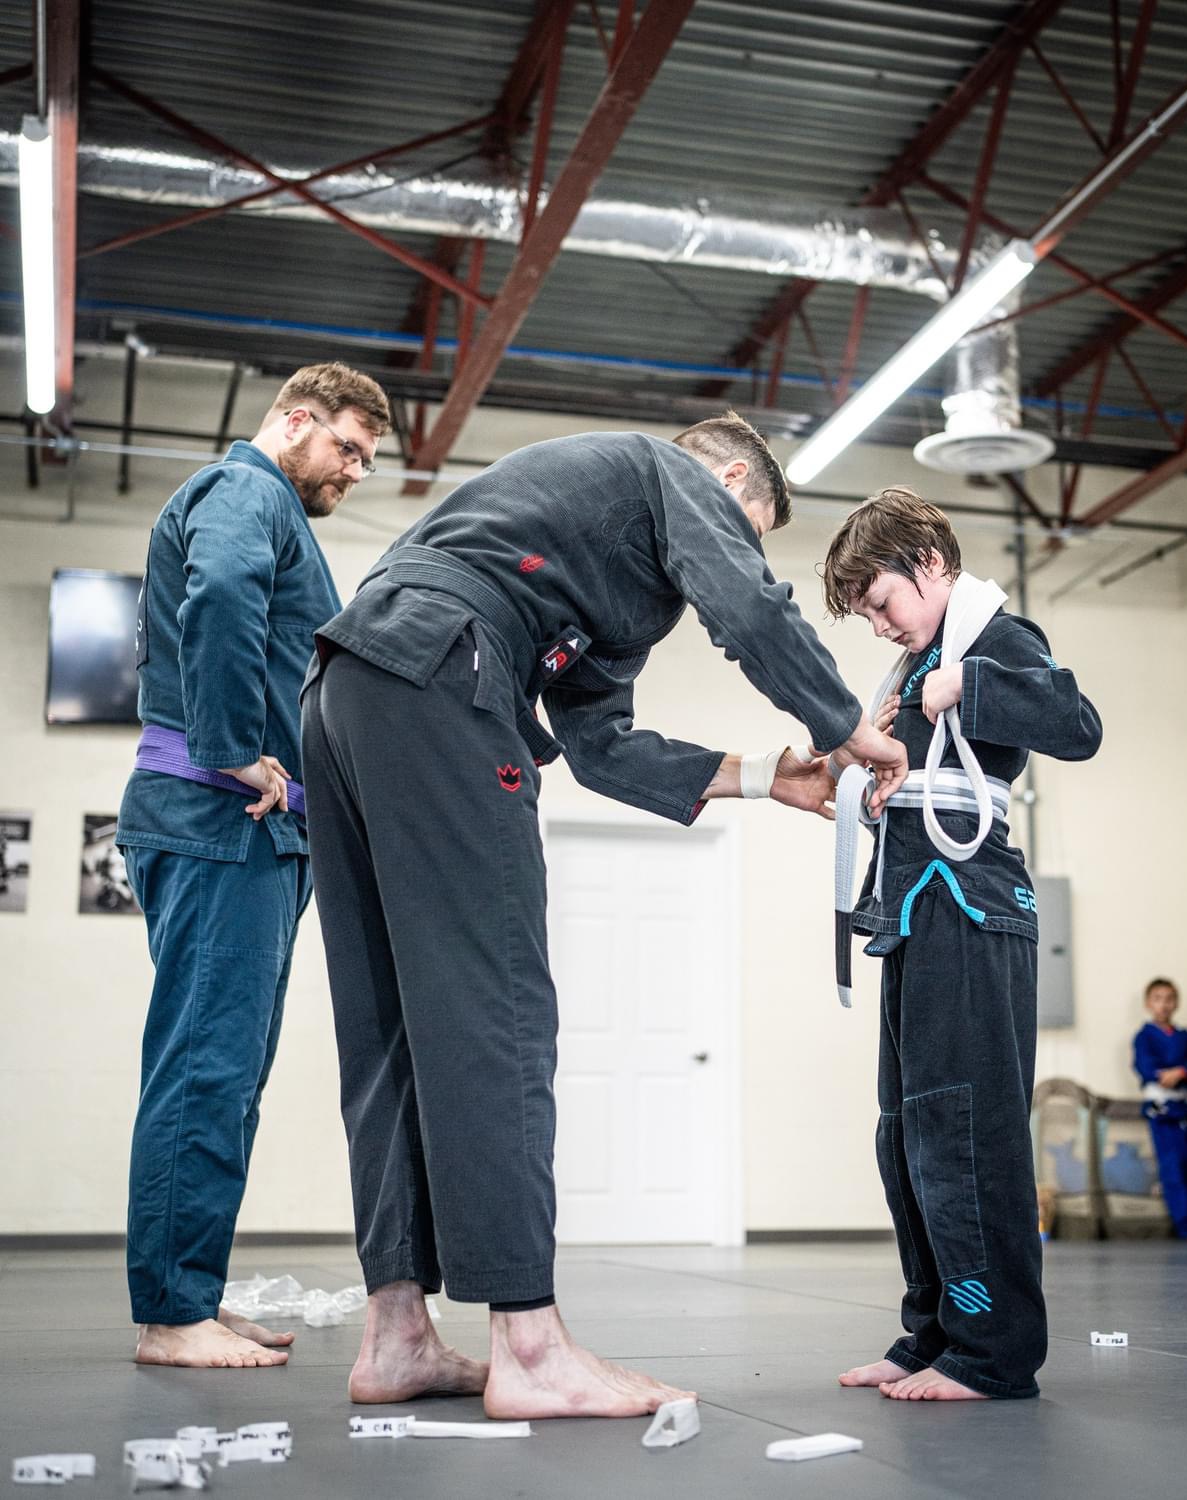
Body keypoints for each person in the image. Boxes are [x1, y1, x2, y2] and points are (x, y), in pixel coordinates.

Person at [299, 412, 906, 1418]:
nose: (730, 550)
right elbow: (750, 611)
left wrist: (773, 778)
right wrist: (847, 731)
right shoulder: (658, 468)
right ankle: (529, 1349)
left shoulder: (587, 567)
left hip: (349, 690)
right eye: (742, 526)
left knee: (394, 1025)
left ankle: (397, 1336)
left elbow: (602, 747)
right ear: (715, 476)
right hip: (448, 670)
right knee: (498, 1008)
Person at [116, 363, 391, 1368]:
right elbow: (223, 591)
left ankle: (189, 1293)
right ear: (293, 419)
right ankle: (172, 1317)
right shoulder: (247, 492)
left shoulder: (271, 508)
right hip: (219, 816)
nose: (356, 470)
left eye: (367, 457)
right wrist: (234, 745)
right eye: (348, 447)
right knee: (205, 1066)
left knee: (225, 1073)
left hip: (253, 833)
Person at [823, 487, 1101, 1402]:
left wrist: (965, 686)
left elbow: (1078, 726)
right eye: (865, 612)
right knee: (906, 1136)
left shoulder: (991, 642)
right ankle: (933, 1334)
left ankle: (993, 1353)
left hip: (972, 908)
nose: (877, 625)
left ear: (931, 566)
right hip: (915, 912)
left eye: (881, 603)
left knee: (965, 1134)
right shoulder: (915, 665)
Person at [1132, 977, 1187, 1242]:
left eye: (1169, 998)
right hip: (1163, 1112)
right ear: (1149, 1003)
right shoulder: (1144, 1036)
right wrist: (1172, 1073)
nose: (1164, 1005)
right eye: (1158, 999)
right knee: (1173, 1169)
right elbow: (1148, 1070)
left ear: (1176, 1003)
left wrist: (1183, 1071)